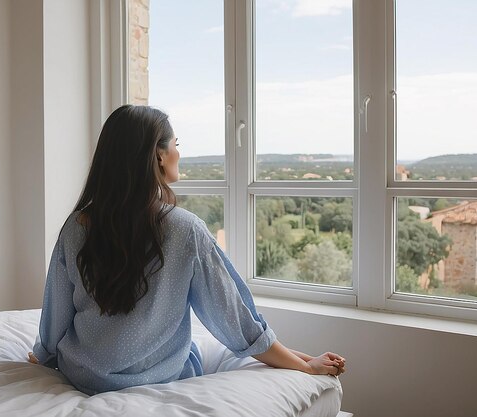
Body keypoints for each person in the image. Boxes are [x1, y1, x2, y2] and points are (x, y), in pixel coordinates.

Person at [29, 104, 345, 395]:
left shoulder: (77, 226)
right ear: (158, 155)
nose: (179, 153)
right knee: (194, 352)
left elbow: (57, 313)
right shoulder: (185, 230)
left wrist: (44, 355)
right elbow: (235, 321)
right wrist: (304, 366)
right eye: (176, 144)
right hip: (156, 378)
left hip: (84, 375)